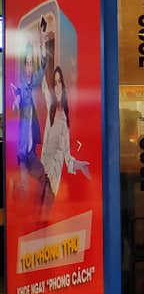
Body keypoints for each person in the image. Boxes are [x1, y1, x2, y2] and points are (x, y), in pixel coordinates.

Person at [39, 65, 90, 208]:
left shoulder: (65, 120)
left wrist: (79, 165)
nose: (57, 86)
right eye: (55, 83)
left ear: (63, 85)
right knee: (41, 211)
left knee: (46, 211)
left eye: (59, 82)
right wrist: (42, 63)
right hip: (44, 173)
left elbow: (67, 155)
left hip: (54, 178)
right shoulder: (51, 107)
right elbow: (44, 87)